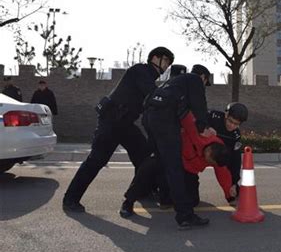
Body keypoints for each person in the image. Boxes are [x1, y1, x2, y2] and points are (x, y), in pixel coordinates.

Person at [62, 46, 174, 213]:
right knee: (96, 160)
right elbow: (152, 95)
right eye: (165, 60)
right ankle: (70, 199)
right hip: (111, 121)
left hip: (125, 124)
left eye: (169, 63)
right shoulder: (140, 70)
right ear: (155, 58)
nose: (167, 66)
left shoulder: (148, 77)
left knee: (144, 156)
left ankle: (143, 191)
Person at [135, 64, 215, 230]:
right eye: (205, 82)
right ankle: (185, 216)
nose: (203, 86)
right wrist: (204, 127)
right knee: (175, 168)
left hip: (150, 119)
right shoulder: (194, 79)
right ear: (203, 77)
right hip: (164, 121)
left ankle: (129, 198)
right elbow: (200, 104)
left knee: (157, 161)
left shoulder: (172, 82)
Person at [120, 111, 235, 223]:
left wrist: (229, 196)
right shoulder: (199, 134)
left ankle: (164, 191)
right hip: (172, 158)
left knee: (192, 201)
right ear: (209, 151)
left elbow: (223, 174)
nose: (208, 163)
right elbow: (187, 117)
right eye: (209, 161)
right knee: (149, 166)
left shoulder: (219, 153)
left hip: (188, 171)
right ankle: (128, 202)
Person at [208, 102, 248, 205]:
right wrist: (206, 126)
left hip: (218, 159)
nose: (232, 126)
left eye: (236, 124)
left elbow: (235, 159)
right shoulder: (213, 116)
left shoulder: (236, 136)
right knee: (190, 198)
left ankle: (230, 195)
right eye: (230, 121)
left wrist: (234, 182)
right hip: (200, 154)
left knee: (232, 189)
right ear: (226, 115)